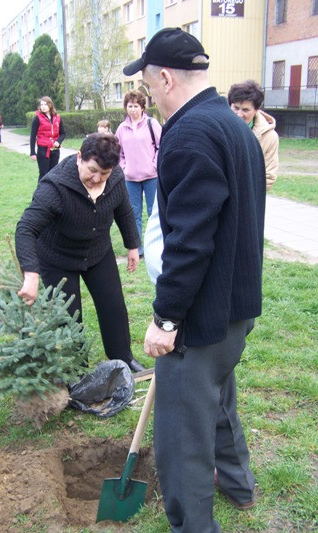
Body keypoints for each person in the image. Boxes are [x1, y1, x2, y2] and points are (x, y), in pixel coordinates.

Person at [124, 27, 266, 532]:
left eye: (147, 83)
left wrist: (165, 319)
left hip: (202, 316)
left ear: (164, 78)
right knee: (220, 398)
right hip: (238, 307)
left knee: (182, 437)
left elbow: (189, 241)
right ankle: (240, 486)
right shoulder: (233, 124)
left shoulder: (188, 134)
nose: (147, 94)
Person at [15, 133, 145, 373]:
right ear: (79, 158)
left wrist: (132, 246)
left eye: (103, 174)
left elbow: (124, 210)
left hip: (98, 251)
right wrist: (31, 274)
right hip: (58, 258)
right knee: (68, 316)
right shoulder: (54, 186)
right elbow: (26, 228)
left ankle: (123, 357)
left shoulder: (114, 177)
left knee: (113, 306)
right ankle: (76, 369)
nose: (97, 179)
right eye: (92, 170)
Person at [115, 90, 161, 256]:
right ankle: (138, 248)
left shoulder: (151, 124)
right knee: (133, 214)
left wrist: (154, 165)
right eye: (130, 106)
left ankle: (154, 245)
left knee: (153, 212)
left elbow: (161, 146)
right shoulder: (121, 128)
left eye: (136, 106)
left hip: (151, 177)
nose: (133, 109)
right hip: (130, 179)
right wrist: (123, 167)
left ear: (142, 107)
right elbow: (117, 152)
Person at [228, 80, 279, 191]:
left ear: (256, 110)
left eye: (245, 110)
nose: (239, 114)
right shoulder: (219, 128)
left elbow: (269, 176)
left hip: (249, 198)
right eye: (236, 108)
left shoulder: (270, 137)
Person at [30, 96, 66, 181]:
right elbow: (33, 136)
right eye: (41, 104)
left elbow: (63, 133)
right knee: (44, 174)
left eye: (45, 104)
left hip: (55, 148)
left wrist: (58, 141)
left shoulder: (57, 117)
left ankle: (52, 193)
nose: (43, 106)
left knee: (54, 173)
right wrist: (32, 152)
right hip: (43, 149)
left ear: (50, 105)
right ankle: (41, 193)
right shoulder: (37, 118)